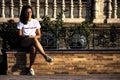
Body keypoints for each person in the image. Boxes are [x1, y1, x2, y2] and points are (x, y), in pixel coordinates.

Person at [17, 5, 53, 75]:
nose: (29, 14)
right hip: (24, 41)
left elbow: (39, 35)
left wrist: (33, 37)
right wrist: (28, 36)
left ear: (32, 13)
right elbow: (19, 35)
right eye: (27, 12)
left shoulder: (35, 22)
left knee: (33, 48)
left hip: (33, 41)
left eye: (30, 12)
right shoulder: (21, 22)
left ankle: (30, 68)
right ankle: (45, 56)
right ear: (24, 13)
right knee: (33, 38)